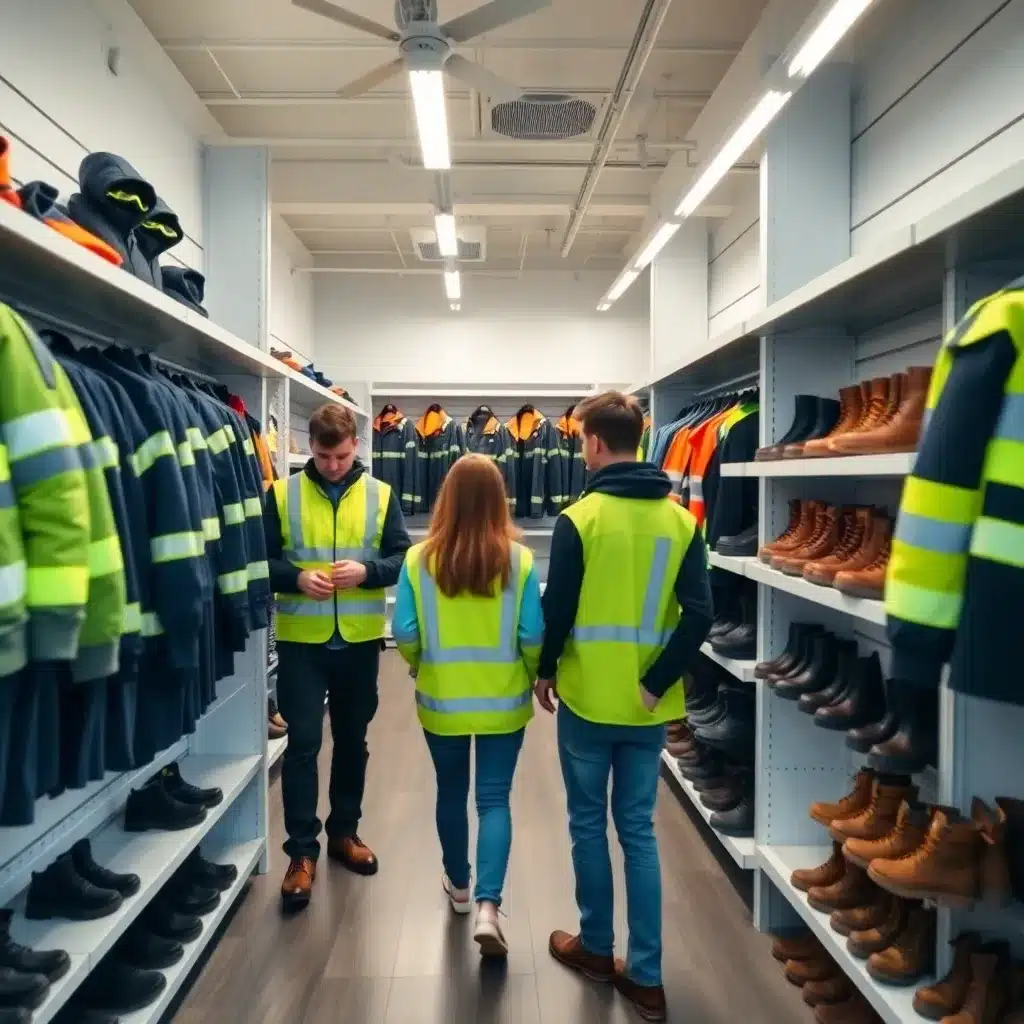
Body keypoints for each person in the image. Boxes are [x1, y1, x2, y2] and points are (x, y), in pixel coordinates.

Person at [536, 391, 713, 1022]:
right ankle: (646, 978)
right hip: (647, 707)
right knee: (637, 831)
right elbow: (700, 615)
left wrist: (545, 669)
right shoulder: (681, 520)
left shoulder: (580, 519)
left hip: (587, 700)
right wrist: (657, 680)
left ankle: (594, 946)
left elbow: (558, 610)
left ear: (593, 442)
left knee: (588, 824)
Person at [392, 455, 543, 956]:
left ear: (447, 499)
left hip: (442, 700)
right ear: (499, 500)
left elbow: (405, 632)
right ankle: (488, 907)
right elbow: (532, 635)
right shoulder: (520, 561)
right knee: (494, 800)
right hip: (504, 702)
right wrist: (532, 673)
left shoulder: (418, 560)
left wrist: (419, 664)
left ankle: (458, 885)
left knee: (450, 793)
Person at [263, 403, 410, 910]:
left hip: (359, 642)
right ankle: (301, 853)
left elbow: (402, 558)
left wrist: (367, 572)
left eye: (342, 457)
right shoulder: (282, 494)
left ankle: (344, 833)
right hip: (302, 644)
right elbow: (260, 560)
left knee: (352, 742)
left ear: (355, 447)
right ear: (311, 447)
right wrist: (296, 578)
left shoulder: (380, 494)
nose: (332, 466)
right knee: (302, 746)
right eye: (324, 456)